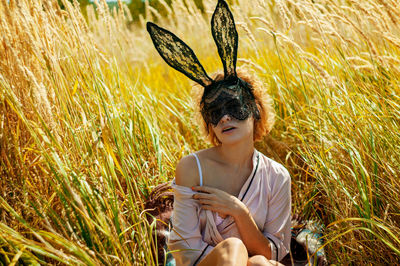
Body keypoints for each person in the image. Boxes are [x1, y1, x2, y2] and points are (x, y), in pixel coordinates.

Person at [147, 1, 291, 265]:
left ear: (255, 110)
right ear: (209, 124)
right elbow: (185, 251)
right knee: (234, 248)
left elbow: (275, 253)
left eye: (234, 106)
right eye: (215, 112)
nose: (225, 116)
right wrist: (231, 254)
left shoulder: (277, 177)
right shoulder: (192, 168)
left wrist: (239, 211)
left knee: (260, 263)